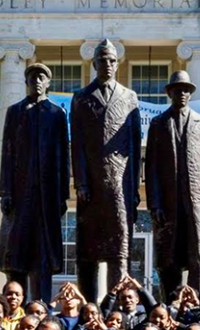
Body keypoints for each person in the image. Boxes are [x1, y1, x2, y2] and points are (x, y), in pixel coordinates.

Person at [71, 39, 142, 302]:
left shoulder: (129, 97)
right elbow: (77, 143)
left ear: (117, 63)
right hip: (91, 184)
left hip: (120, 184)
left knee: (119, 247)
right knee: (88, 251)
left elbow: (134, 145)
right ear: (94, 64)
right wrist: (80, 182)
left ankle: (117, 307)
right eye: (103, 60)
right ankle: (88, 306)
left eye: (112, 60)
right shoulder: (81, 98)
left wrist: (134, 187)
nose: (108, 65)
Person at [0, 61, 70, 304]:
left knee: (43, 256)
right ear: (26, 82)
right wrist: (5, 192)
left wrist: (62, 195)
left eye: (41, 77)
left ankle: (41, 306)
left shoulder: (57, 114)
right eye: (33, 77)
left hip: (47, 197)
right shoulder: (15, 112)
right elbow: (7, 154)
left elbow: (64, 157)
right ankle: (13, 306)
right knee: (15, 254)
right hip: (20, 194)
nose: (37, 81)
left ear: (48, 83)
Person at [145, 69, 200, 298]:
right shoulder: (158, 123)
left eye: (186, 90)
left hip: (197, 205)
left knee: (198, 258)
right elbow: (151, 167)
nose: (182, 94)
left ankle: (198, 304)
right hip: (168, 204)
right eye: (178, 90)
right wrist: (155, 204)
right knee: (169, 259)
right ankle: (169, 305)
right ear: (170, 93)